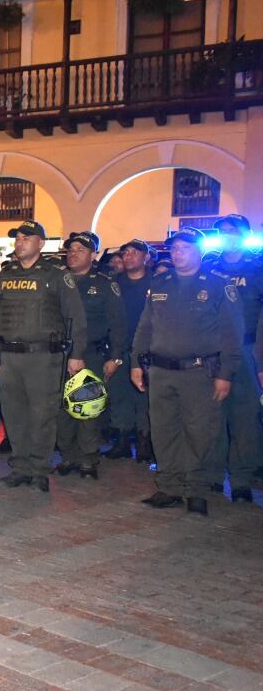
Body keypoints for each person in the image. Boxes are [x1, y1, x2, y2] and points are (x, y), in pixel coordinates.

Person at [133, 228, 242, 515]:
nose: (178, 252)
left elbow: (233, 333)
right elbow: (145, 327)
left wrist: (226, 373)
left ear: (199, 251)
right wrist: (135, 363)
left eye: (185, 247)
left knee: (199, 432)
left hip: (199, 372)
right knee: (164, 429)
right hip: (161, 370)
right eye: (175, 248)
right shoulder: (160, 282)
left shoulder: (218, 284)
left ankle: (196, 489)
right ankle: (168, 486)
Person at [0, 221, 87, 492]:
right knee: (14, 414)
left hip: (43, 357)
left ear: (40, 244)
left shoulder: (55, 275)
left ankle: (39, 470)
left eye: (26, 238)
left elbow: (75, 316)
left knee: (42, 414)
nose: (19, 242)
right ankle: (20, 467)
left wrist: (76, 355)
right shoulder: (6, 274)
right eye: (18, 238)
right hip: (11, 356)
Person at [54, 232, 126, 480]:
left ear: (93, 254)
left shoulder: (105, 283)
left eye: (80, 250)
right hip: (58, 354)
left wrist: (115, 356)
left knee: (87, 407)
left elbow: (118, 324)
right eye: (70, 249)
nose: (73, 253)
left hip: (91, 354)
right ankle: (67, 455)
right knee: (62, 408)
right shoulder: (57, 279)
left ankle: (87, 457)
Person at [204, 214, 263, 501]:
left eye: (232, 231)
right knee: (213, 416)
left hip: (248, 351)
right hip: (213, 353)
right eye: (222, 231)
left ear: (244, 234)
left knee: (245, 418)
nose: (226, 235)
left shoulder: (258, 267)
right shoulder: (209, 267)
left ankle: (240, 480)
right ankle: (213, 475)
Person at [104, 239, 154, 462]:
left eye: (135, 252)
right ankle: (122, 440)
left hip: (148, 350)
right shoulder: (114, 283)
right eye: (125, 253)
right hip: (119, 348)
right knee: (119, 395)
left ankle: (144, 442)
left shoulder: (158, 283)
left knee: (145, 398)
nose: (128, 256)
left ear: (146, 257)